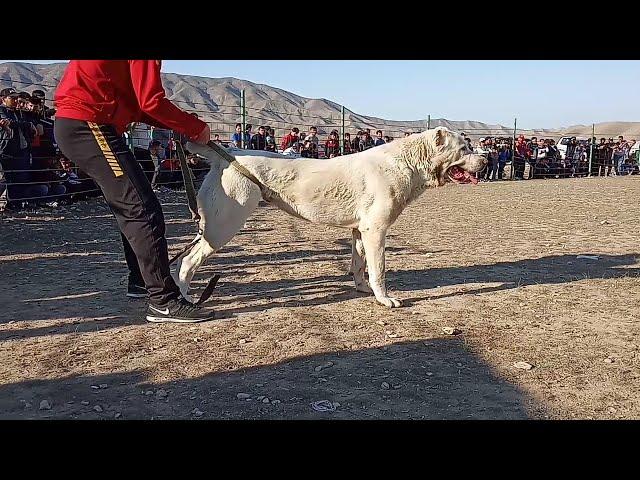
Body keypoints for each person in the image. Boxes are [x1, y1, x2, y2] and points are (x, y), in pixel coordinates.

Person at [53, 60, 214, 324]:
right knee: (141, 209)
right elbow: (150, 100)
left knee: (133, 206)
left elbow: (138, 105)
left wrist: (181, 123)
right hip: (89, 122)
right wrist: (195, 128)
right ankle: (163, 300)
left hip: (82, 122)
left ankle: (142, 281)